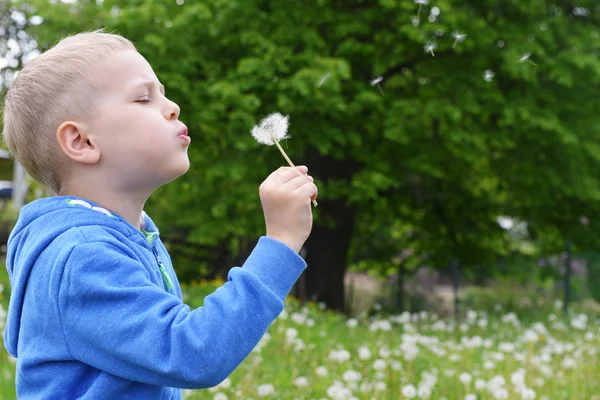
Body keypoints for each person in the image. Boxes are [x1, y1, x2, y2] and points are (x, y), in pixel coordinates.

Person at [1, 30, 318, 399]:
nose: (172, 107)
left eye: (164, 93)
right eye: (143, 98)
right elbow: (193, 352)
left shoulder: (131, 236)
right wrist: (280, 242)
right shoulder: (80, 256)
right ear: (81, 142)